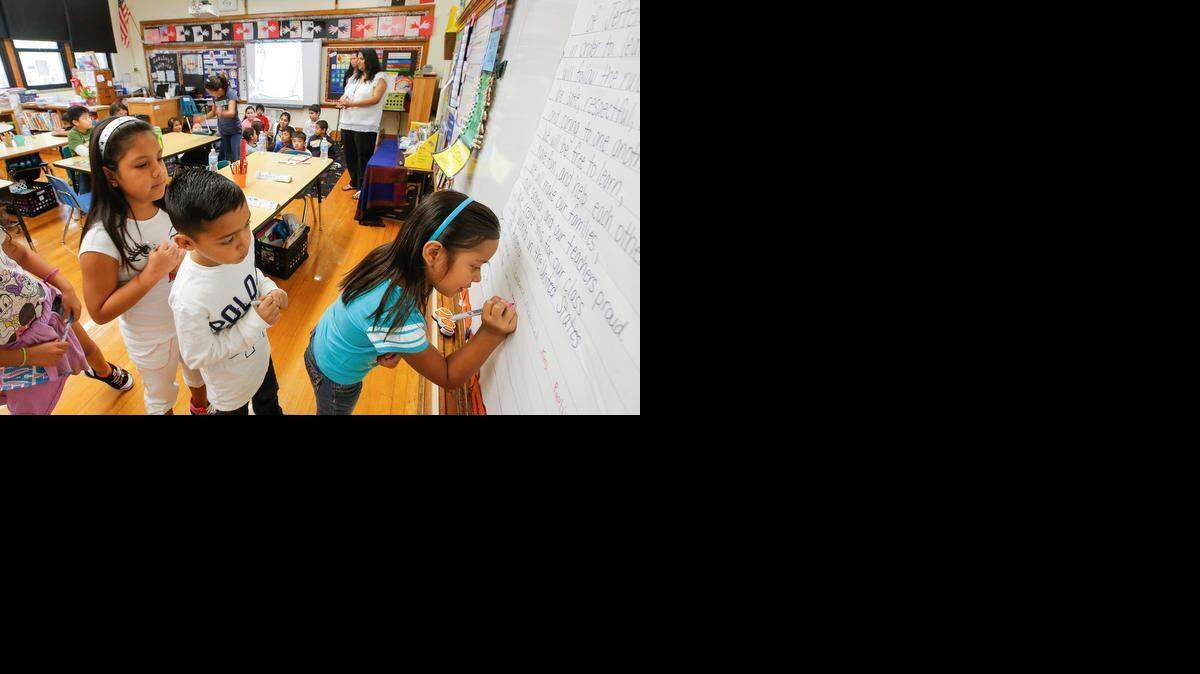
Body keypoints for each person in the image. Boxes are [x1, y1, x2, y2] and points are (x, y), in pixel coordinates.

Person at [305, 191, 517, 415]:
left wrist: (393, 343)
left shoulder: (392, 258)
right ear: (433, 253)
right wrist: (490, 333)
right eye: (475, 266)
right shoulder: (396, 312)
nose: (478, 278)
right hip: (335, 377)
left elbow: (365, 315)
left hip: (320, 340)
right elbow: (447, 375)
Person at [77, 116, 213, 415]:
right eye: (141, 165)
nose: (158, 171)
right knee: (161, 397)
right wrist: (150, 273)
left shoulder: (170, 207)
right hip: (151, 337)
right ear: (111, 175)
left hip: (191, 321)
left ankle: (201, 407)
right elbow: (99, 312)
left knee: (199, 375)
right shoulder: (102, 239)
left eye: (159, 158)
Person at [166, 169, 286, 416]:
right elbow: (197, 356)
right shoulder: (189, 297)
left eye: (247, 224)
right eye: (228, 239)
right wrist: (254, 323)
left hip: (261, 361)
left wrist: (270, 289)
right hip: (229, 389)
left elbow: (253, 275)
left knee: (270, 404)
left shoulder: (240, 246)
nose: (244, 242)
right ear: (186, 243)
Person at [1, 209, 133, 413]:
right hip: (14, 352)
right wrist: (27, 356)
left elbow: (22, 254)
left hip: (47, 308)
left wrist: (66, 287)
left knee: (88, 349)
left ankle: (104, 371)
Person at [337, 48, 388, 201]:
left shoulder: (380, 77)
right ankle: (354, 181)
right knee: (350, 155)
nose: (357, 61)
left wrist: (352, 104)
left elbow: (375, 99)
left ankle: (363, 187)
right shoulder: (354, 77)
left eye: (360, 58)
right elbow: (346, 94)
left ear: (369, 60)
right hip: (347, 122)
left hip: (365, 124)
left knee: (363, 156)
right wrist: (342, 101)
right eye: (357, 58)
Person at [204, 74, 241, 163]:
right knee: (227, 158)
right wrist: (202, 118)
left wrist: (221, 112)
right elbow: (213, 112)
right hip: (223, 131)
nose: (211, 95)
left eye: (211, 92)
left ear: (219, 90)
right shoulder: (216, 96)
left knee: (235, 158)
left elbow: (232, 113)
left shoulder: (230, 93)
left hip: (235, 131)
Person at [62, 105, 94, 195]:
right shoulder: (73, 134)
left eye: (89, 117)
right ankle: (86, 198)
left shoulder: (92, 129)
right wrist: (92, 143)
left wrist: (88, 144)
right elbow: (84, 152)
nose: (89, 120)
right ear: (75, 122)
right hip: (81, 169)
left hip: (92, 163)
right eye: (85, 118)